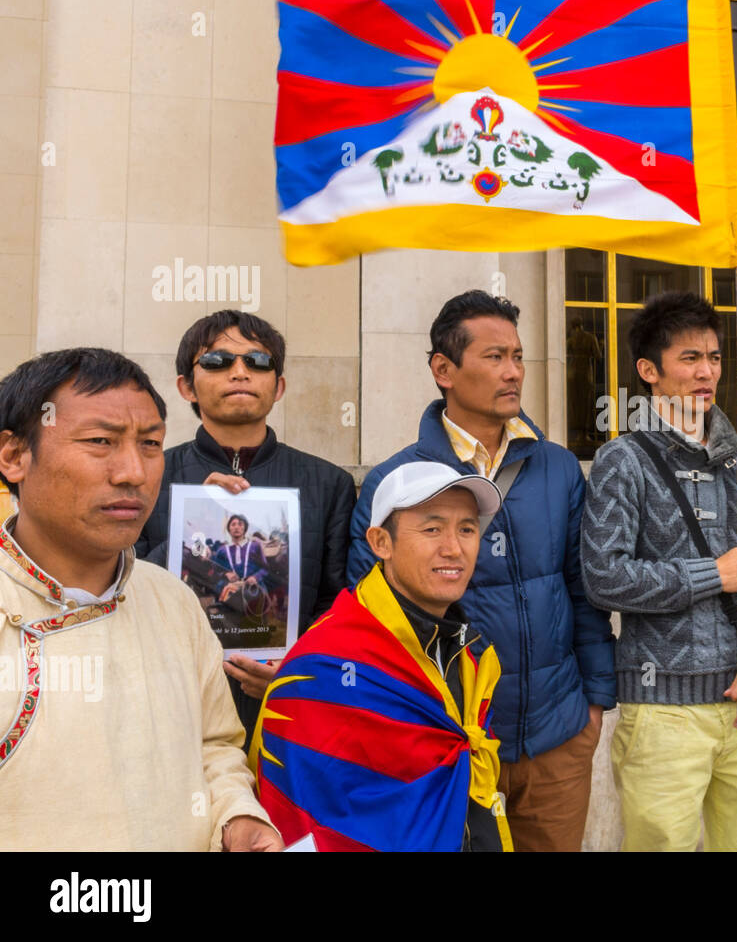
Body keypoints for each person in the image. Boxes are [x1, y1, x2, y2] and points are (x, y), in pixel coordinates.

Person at [348, 290, 614, 852]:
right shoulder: (396, 483)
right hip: (450, 747)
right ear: (443, 370)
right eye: (494, 357)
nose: (513, 372)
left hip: (558, 739)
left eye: (517, 356)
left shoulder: (559, 466)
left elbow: (582, 590)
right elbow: (368, 623)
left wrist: (594, 704)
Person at [0, 348, 279, 850]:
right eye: (100, 442)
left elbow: (215, 745)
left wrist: (236, 815)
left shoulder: (171, 598)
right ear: (15, 456)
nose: (133, 472)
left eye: (150, 444)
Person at [581, 291, 737, 852]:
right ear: (649, 371)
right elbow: (604, 577)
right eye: (690, 359)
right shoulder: (622, 459)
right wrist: (712, 573)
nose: (707, 372)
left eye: (715, 357)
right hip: (661, 716)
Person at [254, 461, 511, 851]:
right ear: (380, 543)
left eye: (467, 529)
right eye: (432, 528)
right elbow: (297, 822)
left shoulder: (467, 651)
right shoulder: (323, 666)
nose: (454, 548)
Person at [134, 311, 357, 747]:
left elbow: (339, 600)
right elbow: (125, 581)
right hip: (173, 701)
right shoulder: (147, 474)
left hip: (287, 709)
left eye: (257, 361)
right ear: (185, 386)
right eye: (217, 362)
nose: (240, 372)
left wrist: (297, 668)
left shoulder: (328, 483)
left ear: (279, 385)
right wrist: (193, 523)